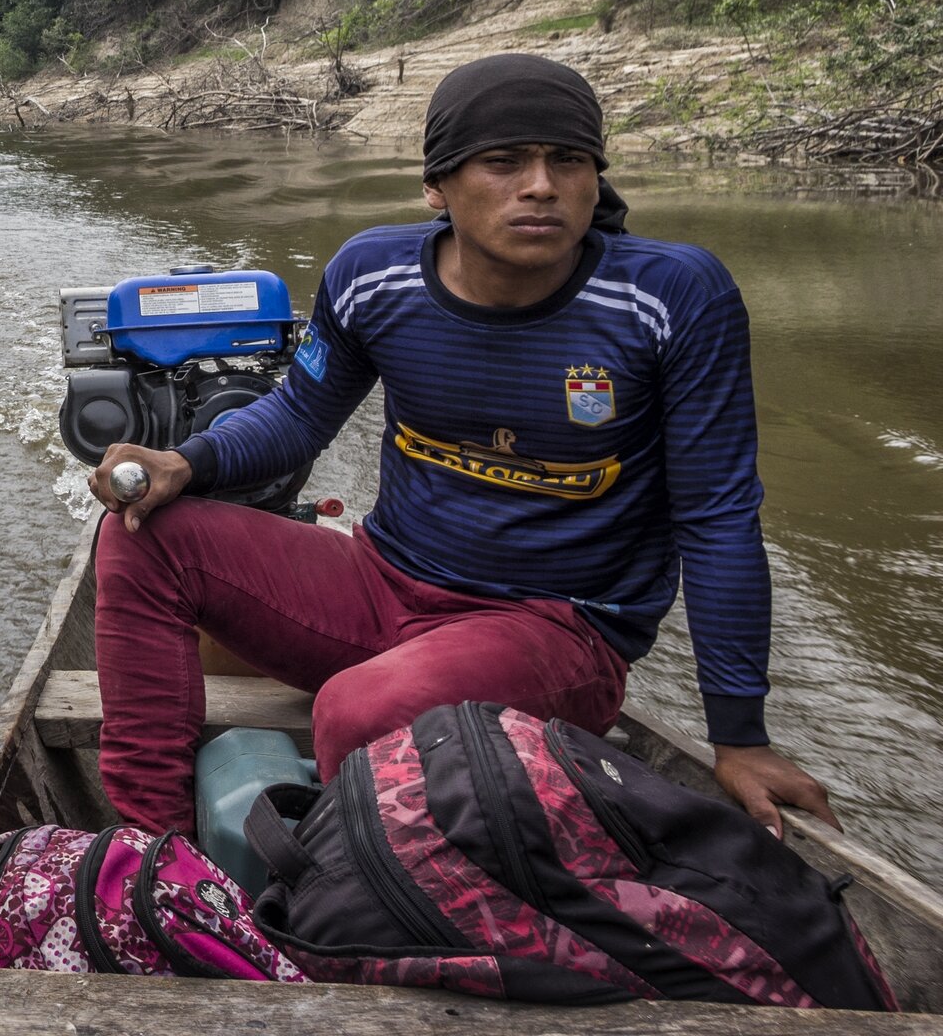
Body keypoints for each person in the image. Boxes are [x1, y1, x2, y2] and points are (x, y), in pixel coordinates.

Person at [87, 53, 835, 841]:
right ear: (437, 187)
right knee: (143, 536)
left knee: (358, 711)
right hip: (383, 584)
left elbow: (717, 520)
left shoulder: (671, 298)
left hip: (559, 629)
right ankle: (155, 855)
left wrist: (739, 734)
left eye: (569, 161)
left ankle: (349, 896)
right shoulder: (372, 277)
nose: (541, 185)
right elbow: (298, 417)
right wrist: (188, 462)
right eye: (505, 162)